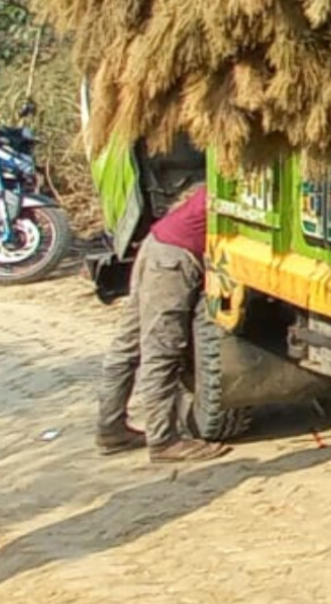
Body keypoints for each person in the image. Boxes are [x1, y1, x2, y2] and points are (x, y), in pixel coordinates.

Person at [93, 183, 231, 462]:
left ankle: (111, 429)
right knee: (161, 351)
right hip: (174, 259)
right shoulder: (239, 182)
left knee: (128, 345)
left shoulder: (223, 179)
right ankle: (164, 441)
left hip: (158, 245)